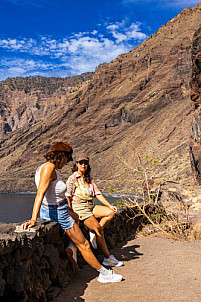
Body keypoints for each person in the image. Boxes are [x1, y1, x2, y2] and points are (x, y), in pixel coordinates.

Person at [21, 142, 123, 284]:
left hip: (58, 208)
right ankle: (104, 273)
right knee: (85, 244)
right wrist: (33, 219)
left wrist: (68, 209)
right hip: (59, 212)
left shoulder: (42, 167)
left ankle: (71, 246)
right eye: (68, 159)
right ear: (61, 156)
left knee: (76, 217)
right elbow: (40, 193)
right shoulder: (49, 168)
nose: (66, 163)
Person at [66, 153, 123, 267]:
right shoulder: (73, 178)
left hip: (90, 206)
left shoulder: (89, 178)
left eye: (85, 163)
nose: (83, 165)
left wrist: (109, 205)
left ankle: (92, 232)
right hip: (80, 208)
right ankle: (107, 258)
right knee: (98, 229)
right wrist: (70, 211)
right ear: (76, 164)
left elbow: (97, 194)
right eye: (81, 162)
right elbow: (67, 195)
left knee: (110, 212)